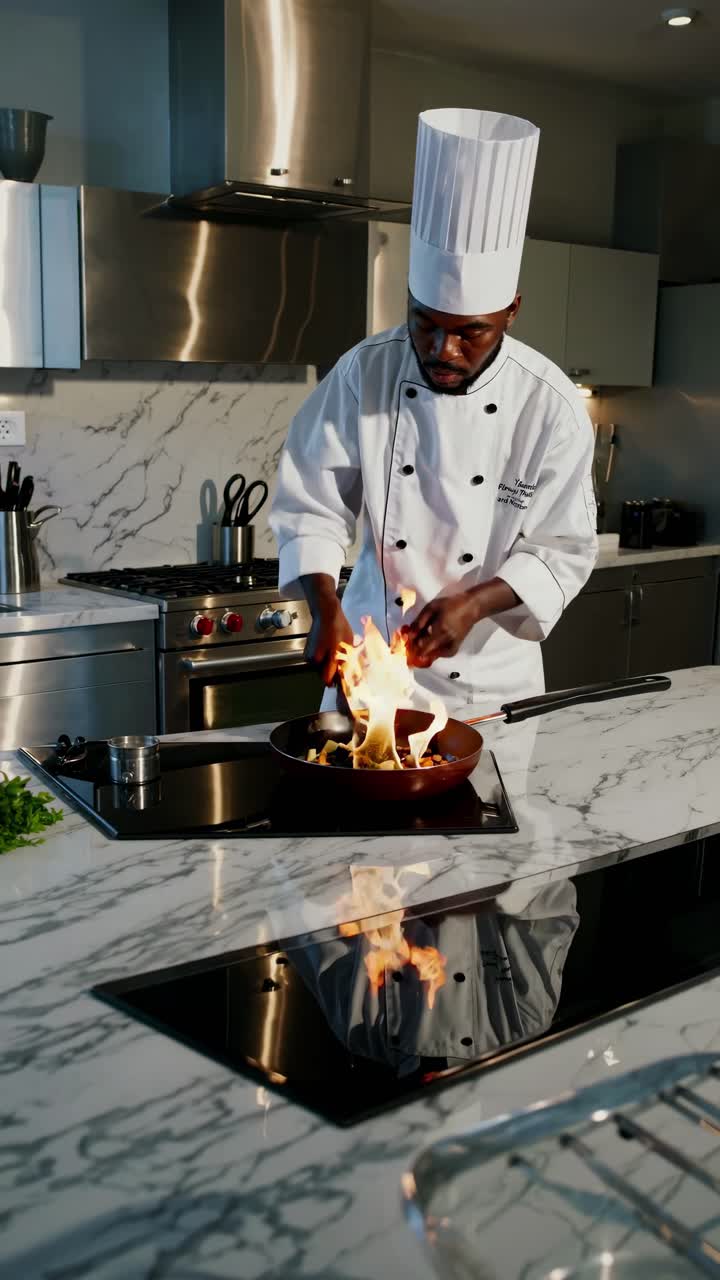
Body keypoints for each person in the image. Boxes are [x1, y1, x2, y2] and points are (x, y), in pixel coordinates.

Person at [271, 108, 598, 715]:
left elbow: (564, 548)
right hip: (367, 668)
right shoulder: (366, 372)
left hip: (492, 687)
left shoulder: (547, 404)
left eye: (468, 333)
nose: (441, 351)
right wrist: (325, 606)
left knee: (491, 808)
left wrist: (474, 604)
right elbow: (309, 504)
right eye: (424, 323)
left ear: (511, 311)